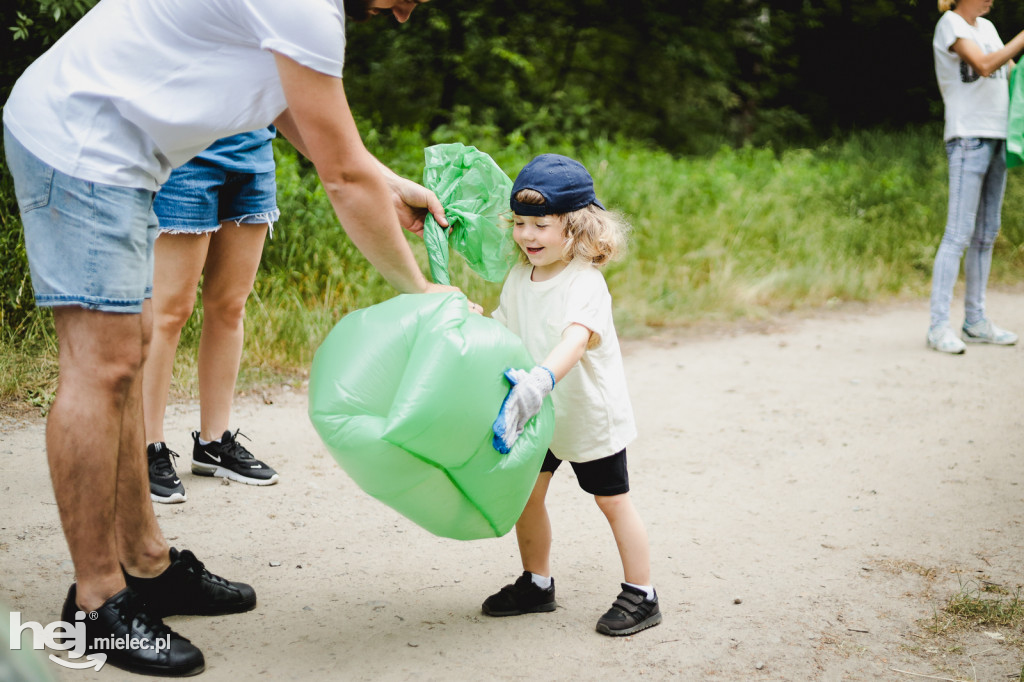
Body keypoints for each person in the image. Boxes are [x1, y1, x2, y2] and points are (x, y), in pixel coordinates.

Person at [3, 0, 457, 675]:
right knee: (100, 368)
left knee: (124, 358)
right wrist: (421, 291)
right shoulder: (307, 7)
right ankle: (97, 605)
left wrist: (382, 178)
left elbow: (293, 113)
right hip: (82, 144)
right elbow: (339, 177)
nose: (402, 15)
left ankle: (148, 565)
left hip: (116, 150)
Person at [484, 154, 662, 637]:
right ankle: (536, 583)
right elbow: (503, 327)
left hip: (585, 415)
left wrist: (539, 381)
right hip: (536, 415)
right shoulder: (521, 276)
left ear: (577, 228)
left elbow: (574, 340)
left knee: (612, 501)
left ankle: (642, 593)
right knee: (526, 496)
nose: (528, 235)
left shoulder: (585, 282)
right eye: (520, 223)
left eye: (542, 224)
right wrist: (470, 329)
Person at [144, 129, 281, 505]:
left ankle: (213, 444)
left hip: (253, 156)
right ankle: (144, 447)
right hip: (185, 154)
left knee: (230, 305)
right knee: (169, 312)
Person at [928, 0, 1024, 354]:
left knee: (986, 233)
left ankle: (975, 322)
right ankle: (938, 327)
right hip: (968, 136)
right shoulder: (951, 24)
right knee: (958, 233)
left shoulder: (989, 29)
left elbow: (1011, 72)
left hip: (1000, 136)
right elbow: (984, 65)